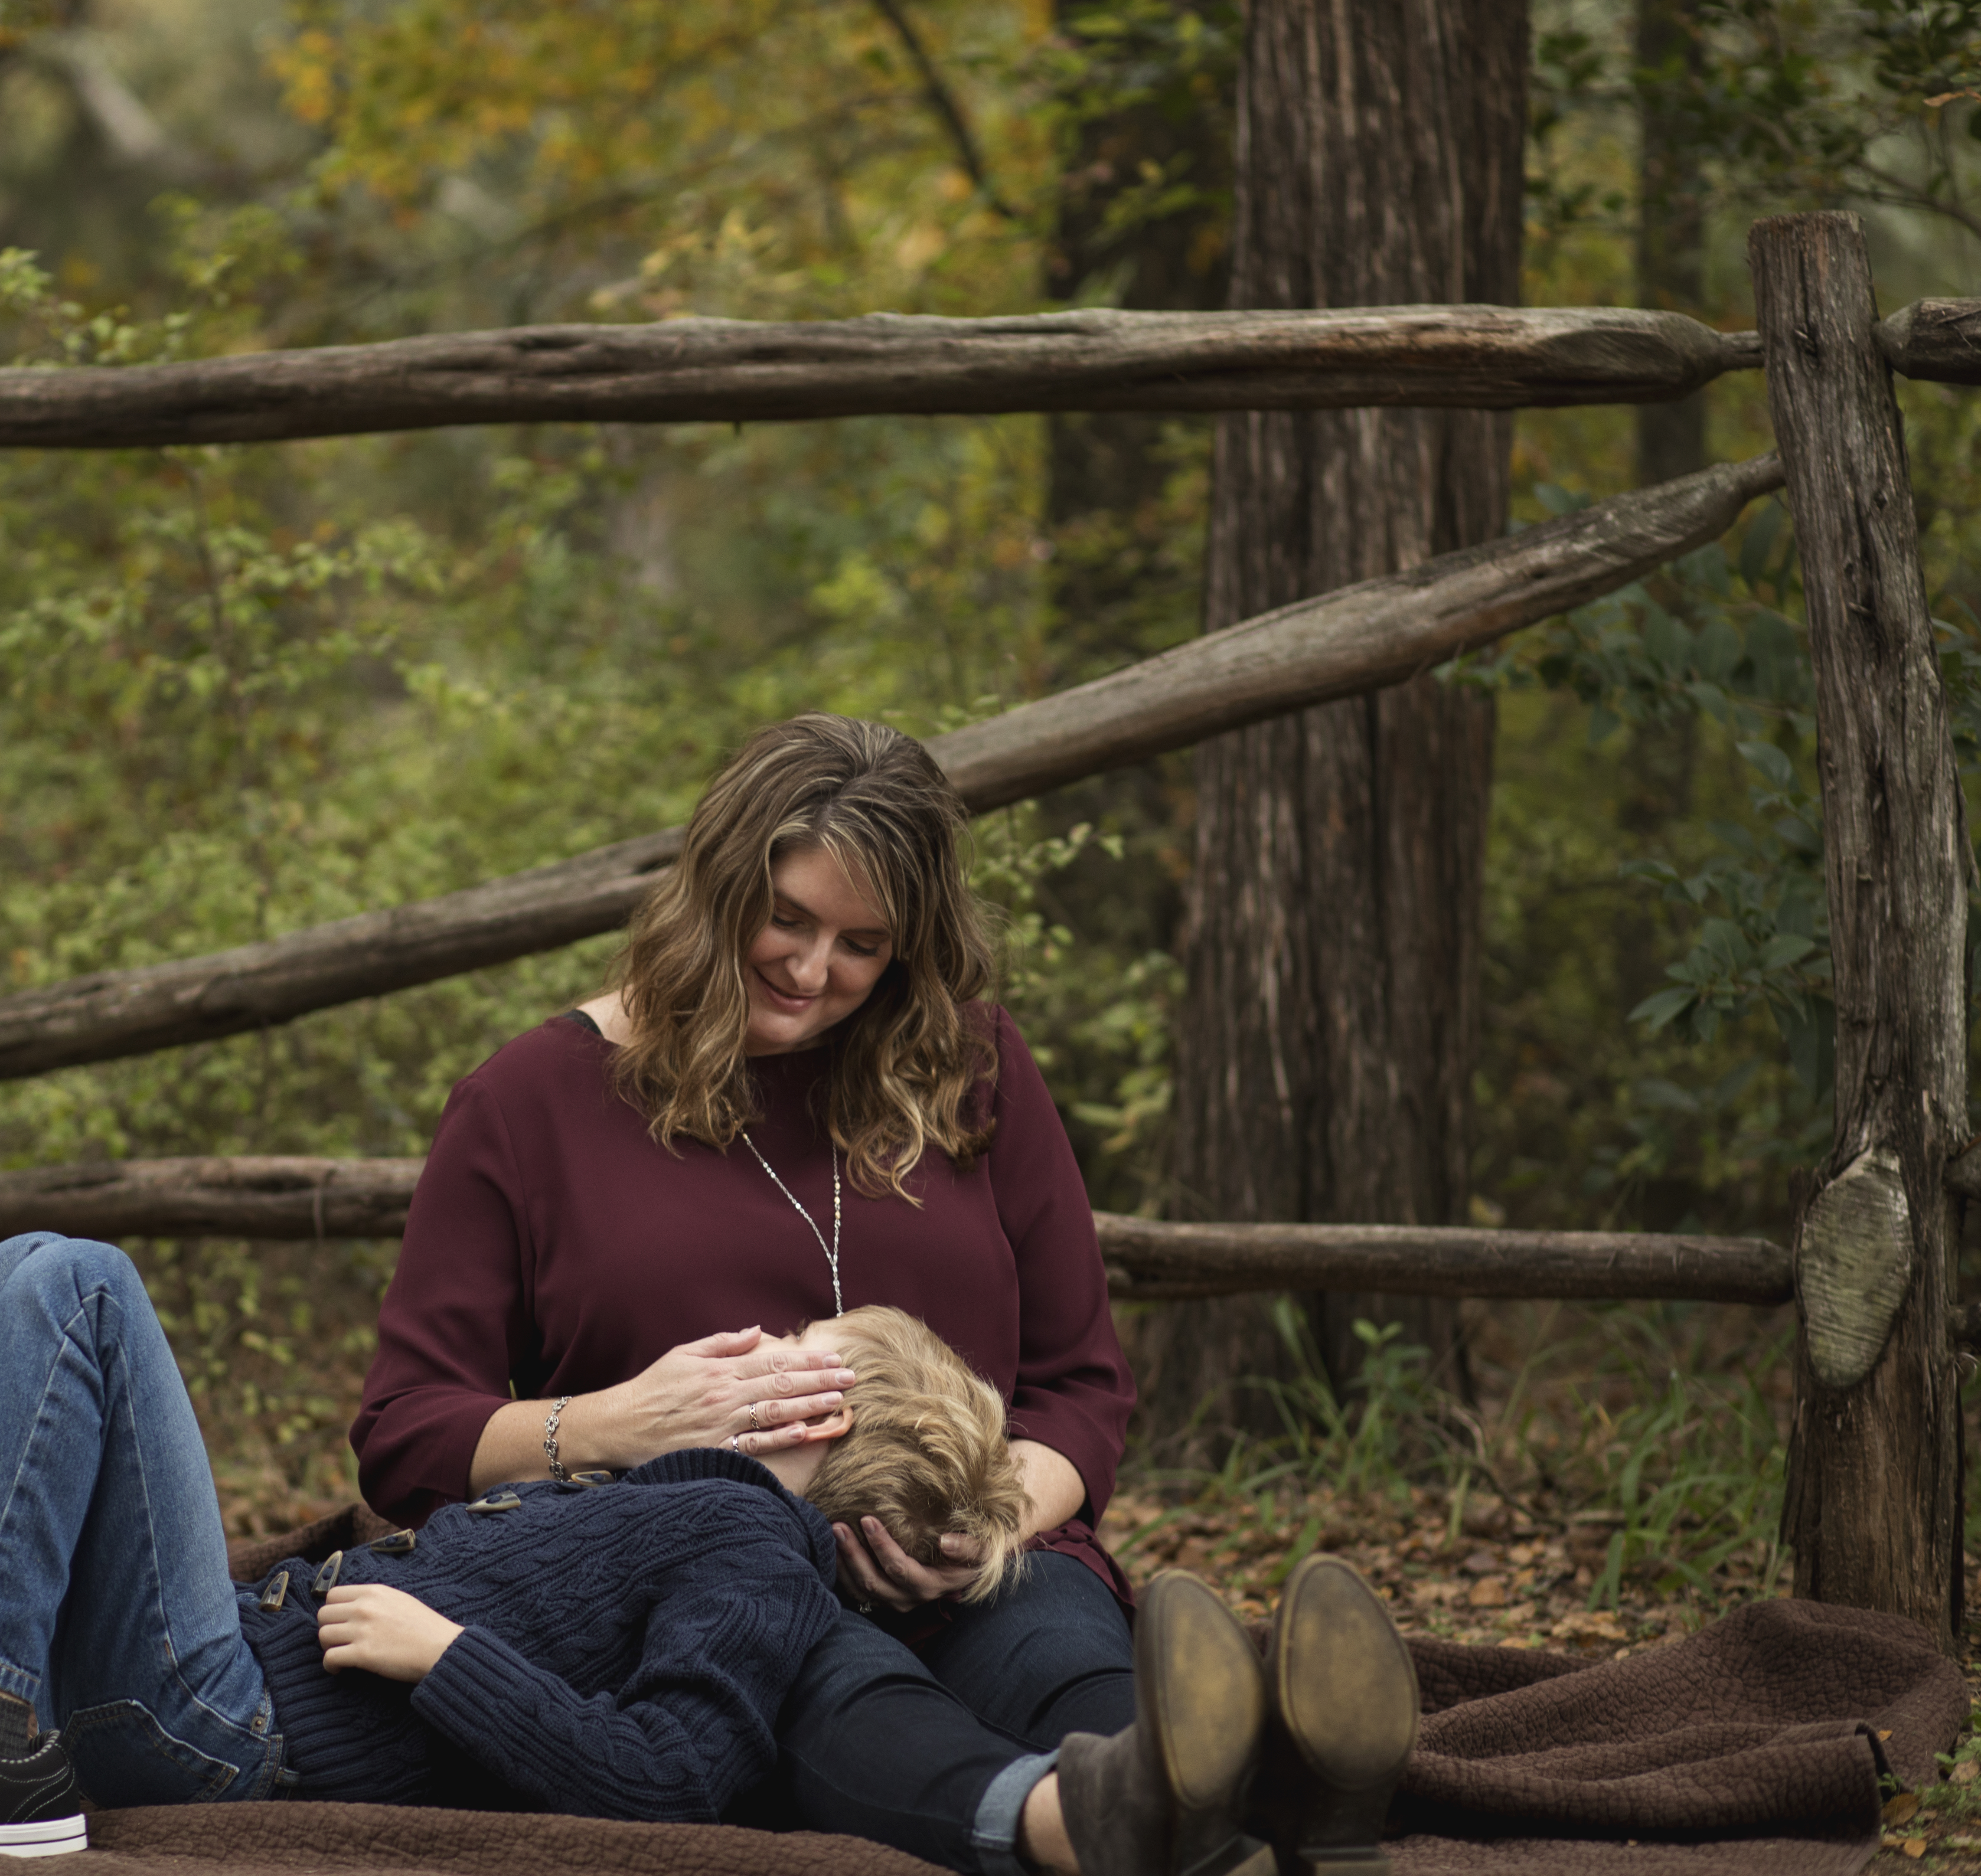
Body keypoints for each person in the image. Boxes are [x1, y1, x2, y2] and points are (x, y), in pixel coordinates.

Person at [349, 711, 1419, 1876]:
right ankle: (1115, 1829)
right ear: (714, 887)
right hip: (709, 1579)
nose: (813, 972)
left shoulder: (971, 1065)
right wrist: (612, 1422)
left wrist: (994, 1519)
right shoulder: (528, 1104)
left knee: (1063, 1653)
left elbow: (1081, 1386)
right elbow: (406, 1432)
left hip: (993, 1550)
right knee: (839, 1697)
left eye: (863, 945)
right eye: (786, 919)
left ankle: (1235, 1797)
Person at [0, 1236, 1044, 1864]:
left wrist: (448, 1657)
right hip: (221, 1667)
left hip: (224, 1723)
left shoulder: (754, 1554)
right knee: (23, 1271)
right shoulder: (681, 1490)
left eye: (793, 1343)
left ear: (819, 1409)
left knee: (85, 1289)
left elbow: (669, 1782)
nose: (758, 1339)